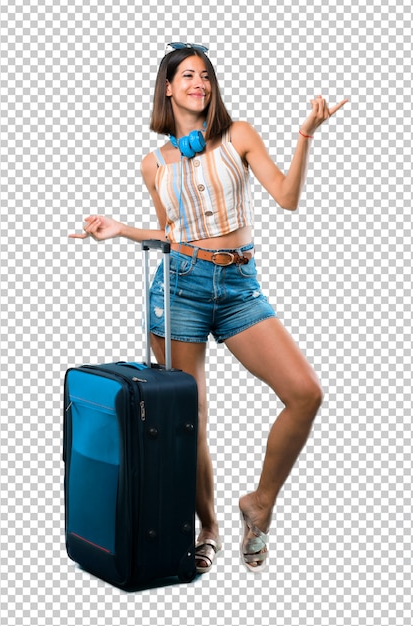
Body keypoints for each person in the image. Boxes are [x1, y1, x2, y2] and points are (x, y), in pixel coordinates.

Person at [70, 42, 347, 573]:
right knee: (188, 416)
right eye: (187, 75)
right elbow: (172, 234)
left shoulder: (238, 135)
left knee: (305, 393)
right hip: (180, 286)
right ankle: (209, 528)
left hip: (240, 286)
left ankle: (259, 503)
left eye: (206, 75)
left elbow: (287, 197)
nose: (199, 83)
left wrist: (306, 135)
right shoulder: (153, 164)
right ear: (168, 87)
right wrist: (121, 229)